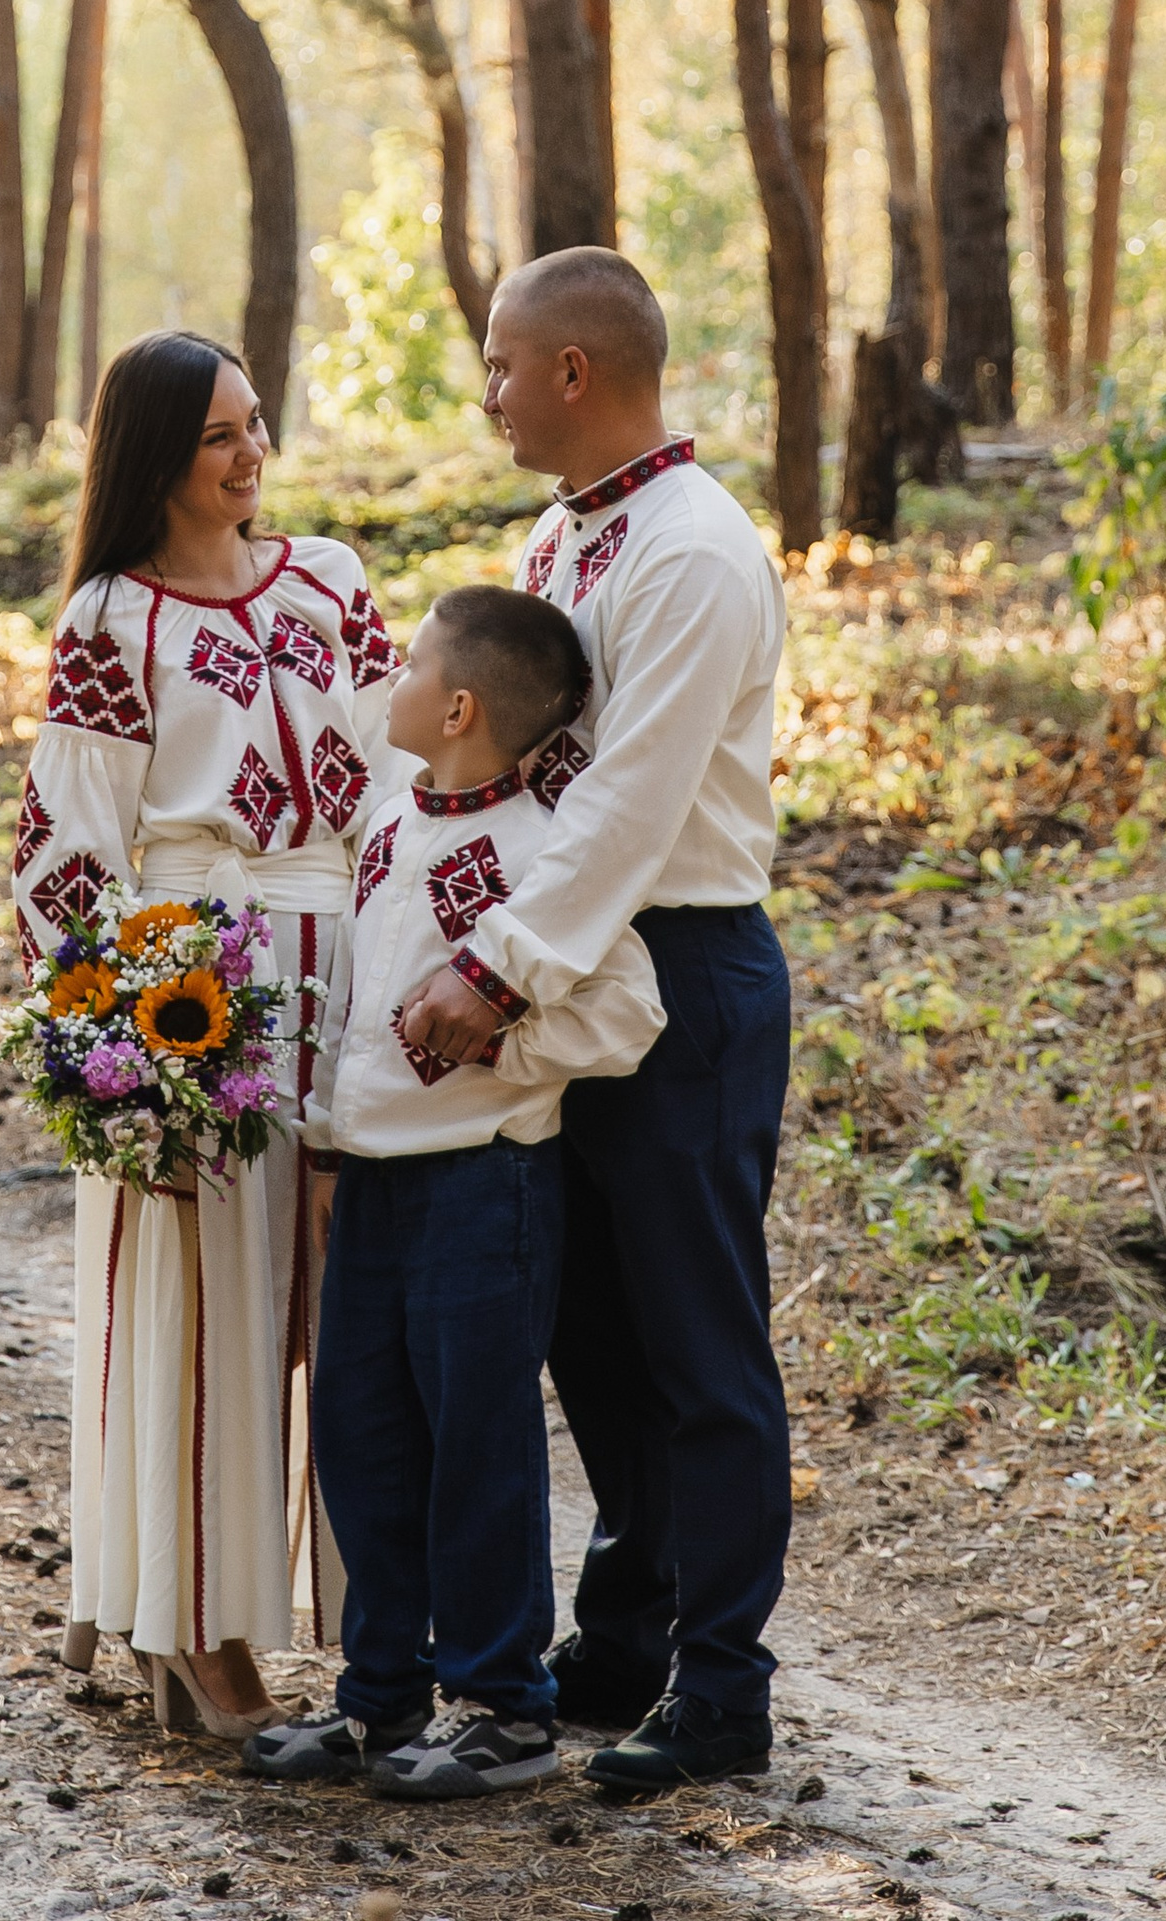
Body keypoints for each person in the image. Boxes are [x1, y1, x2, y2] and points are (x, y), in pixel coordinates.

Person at [395, 247, 794, 1793]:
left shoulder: (693, 551)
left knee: (698, 1337)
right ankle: (627, 1636)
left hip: (679, 966)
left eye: (503, 362)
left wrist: (495, 970)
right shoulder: (561, 536)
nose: (488, 388)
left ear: (574, 370)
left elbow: (631, 802)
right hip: (572, 966)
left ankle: (726, 1684)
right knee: (591, 1332)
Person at [10, 330, 395, 1740]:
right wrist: (133, 1063)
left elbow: (403, 779)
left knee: (342, 1310)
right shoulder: (113, 619)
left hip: (347, 972)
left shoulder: (331, 581)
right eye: (221, 434)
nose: (252, 454)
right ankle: (196, 1633)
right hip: (200, 1000)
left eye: (257, 424)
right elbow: (63, 855)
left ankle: (378, 1637)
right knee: (205, 1316)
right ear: (157, 456)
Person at [249, 585, 663, 1806]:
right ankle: (379, 1695)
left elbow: (629, 1012)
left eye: (414, 662)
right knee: (362, 1439)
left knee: (475, 1445)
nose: (395, 674)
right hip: (374, 1183)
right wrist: (330, 1148)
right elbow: (353, 1004)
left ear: (460, 706)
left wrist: (501, 1043)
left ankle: (503, 1707)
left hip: (484, 1185)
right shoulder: (390, 818)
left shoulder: (538, 853)